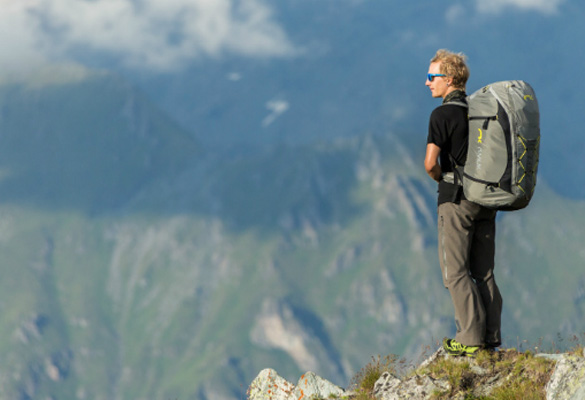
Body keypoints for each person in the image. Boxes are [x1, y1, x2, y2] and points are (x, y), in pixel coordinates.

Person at [424, 49, 503, 357]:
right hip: (485, 200)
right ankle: (490, 338)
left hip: (456, 201)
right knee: (484, 271)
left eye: (432, 76)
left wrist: (442, 180)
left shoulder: (441, 115)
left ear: (449, 79)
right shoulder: (480, 111)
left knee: (455, 272)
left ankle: (469, 339)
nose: (427, 82)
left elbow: (430, 163)